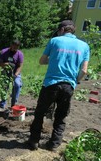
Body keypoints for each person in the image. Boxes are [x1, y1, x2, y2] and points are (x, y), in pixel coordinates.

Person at [27, 20, 90, 151]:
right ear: (73, 30)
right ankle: (54, 143)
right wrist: (76, 81)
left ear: (61, 30)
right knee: (61, 115)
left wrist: (55, 59)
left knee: (40, 113)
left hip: (51, 84)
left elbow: (42, 60)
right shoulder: (84, 46)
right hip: (68, 86)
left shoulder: (55, 41)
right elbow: (84, 70)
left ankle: (33, 141)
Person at [0, 40, 24, 109]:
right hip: (5, 72)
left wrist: (15, 75)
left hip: (15, 73)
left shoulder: (20, 54)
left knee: (17, 84)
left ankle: (13, 104)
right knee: (4, 88)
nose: (15, 49)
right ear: (11, 45)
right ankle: (2, 105)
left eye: (16, 47)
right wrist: (5, 64)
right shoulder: (3, 52)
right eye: (14, 47)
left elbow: (20, 66)